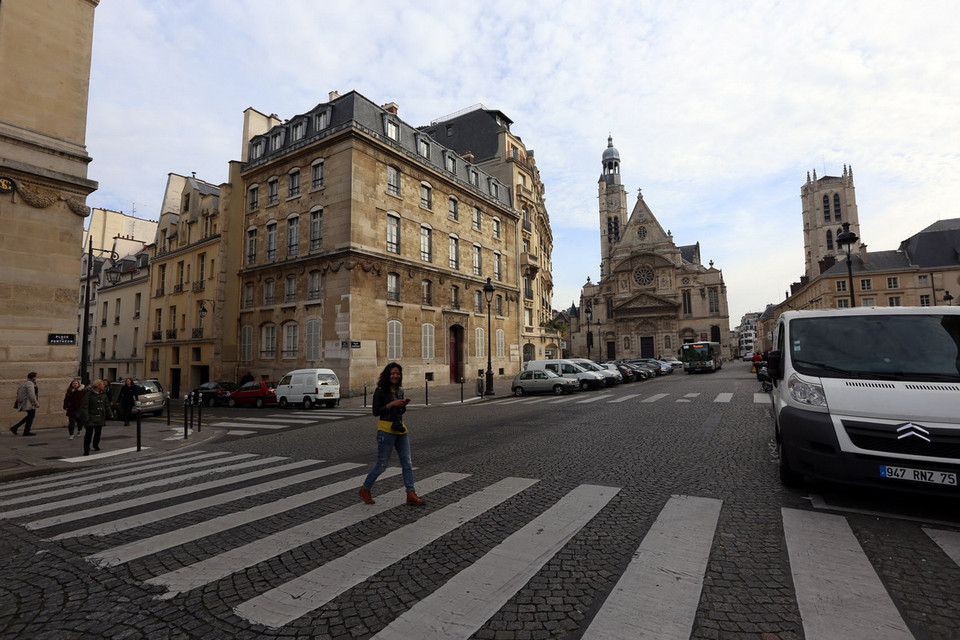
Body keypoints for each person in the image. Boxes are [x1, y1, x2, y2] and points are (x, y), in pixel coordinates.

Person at [359, 362, 425, 506]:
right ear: (387, 374)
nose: (395, 376)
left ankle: (410, 493)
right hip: (385, 430)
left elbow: (400, 412)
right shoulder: (380, 390)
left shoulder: (399, 390)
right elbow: (376, 411)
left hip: (400, 429)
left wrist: (402, 405)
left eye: (398, 373)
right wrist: (391, 405)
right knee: (382, 464)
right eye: (393, 373)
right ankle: (365, 489)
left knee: (407, 462)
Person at [79, 379, 113, 456]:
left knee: (98, 433)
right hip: (91, 416)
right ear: (97, 386)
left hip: (100, 416)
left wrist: (110, 413)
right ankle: (86, 449)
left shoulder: (103, 394)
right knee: (89, 434)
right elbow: (84, 406)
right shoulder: (89, 394)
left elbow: (106, 405)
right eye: (102, 384)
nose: (104, 386)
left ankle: (95, 445)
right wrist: (86, 417)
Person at [10, 372, 39, 436]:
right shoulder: (30, 384)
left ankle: (16, 428)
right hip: (29, 403)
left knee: (30, 416)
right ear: (33, 377)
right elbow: (31, 394)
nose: (36, 378)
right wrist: (35, 403)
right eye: (36, 376)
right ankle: (25, 431)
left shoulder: (25, 383)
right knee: (31, 416)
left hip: (27, 402)